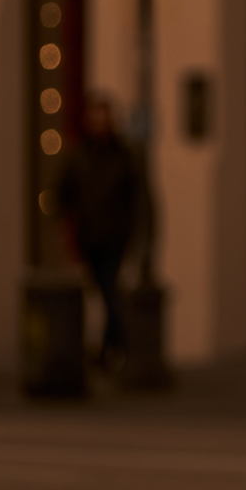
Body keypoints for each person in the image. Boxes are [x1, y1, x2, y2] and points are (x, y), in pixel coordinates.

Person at [55, 93, 150, 369]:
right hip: (88, 238)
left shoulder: (124, 157)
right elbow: (63, 194)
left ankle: (113, 347)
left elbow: (136, 199)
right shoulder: (79, 156)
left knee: (110, 292)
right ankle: (106, 348)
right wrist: (66, 231)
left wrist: (137, 238)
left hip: (115, 237)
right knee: (99, 296)